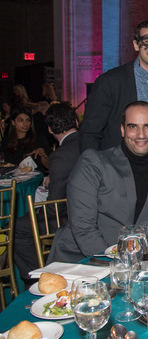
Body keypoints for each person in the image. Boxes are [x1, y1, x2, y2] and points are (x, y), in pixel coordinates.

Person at [49, 101, 148, 263]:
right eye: (133, 126)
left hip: (136, 263)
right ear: (123, 130)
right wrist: (120, 266)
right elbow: (84, 230)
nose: (141, 134)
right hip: (82, 262)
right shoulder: (94, 163)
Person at [79, 20, 148, 161]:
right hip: (118, 169)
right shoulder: (110, 81)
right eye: (146, 42)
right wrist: (95, 171)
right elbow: (89, 133)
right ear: (136, 45)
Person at [13, 102, 79, 286]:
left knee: (17, 227)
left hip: (66, 216)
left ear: (50, 129)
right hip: (87, 212)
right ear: (75, 121)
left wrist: (37, 211)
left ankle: (39, 279)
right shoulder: (90, 143)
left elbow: (54, 206)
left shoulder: (60, 155)